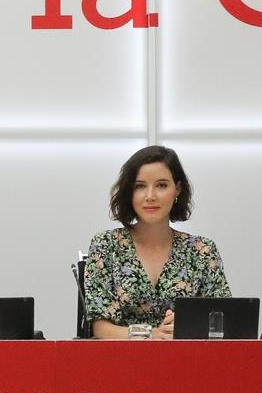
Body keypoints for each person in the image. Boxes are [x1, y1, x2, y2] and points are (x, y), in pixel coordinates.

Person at [83, 145, 231, 340]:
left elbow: (222, 320)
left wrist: (189, 325)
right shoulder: (105, 245)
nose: (150, 196)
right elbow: (100, 328)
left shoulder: (202, 250)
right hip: (119, 363)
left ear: (177, 189)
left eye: (161, 185)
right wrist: (152, 334)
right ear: (130, 192)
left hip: (188, 362)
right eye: (140, 186)